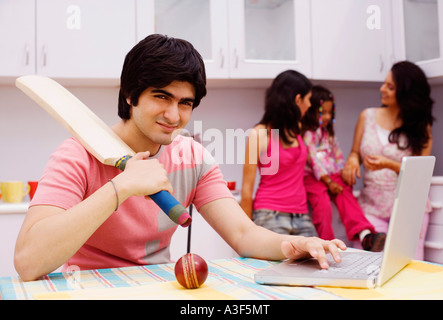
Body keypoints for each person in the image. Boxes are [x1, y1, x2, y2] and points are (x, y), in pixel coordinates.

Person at [14, 35, 346, 281]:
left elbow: (244, 235)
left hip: (158, 286)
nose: (174, 115)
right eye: (162, 96)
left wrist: (294, 244)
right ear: (131, 95)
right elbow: (28, 262)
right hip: (89, 286)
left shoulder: (193, 157)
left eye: (185, 102)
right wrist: (121, 188)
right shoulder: (76, 154)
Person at [341, 61, 434, 259]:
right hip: (371, 206)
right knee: (365, 264)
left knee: (408, 268)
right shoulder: (367, 116)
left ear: (406, 93)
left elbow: (420, 174)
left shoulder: (420, 127)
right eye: (384, 84)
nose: (382, 89)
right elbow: (354, 152)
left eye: (390, 87)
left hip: (408, 207)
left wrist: (388, 164)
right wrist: (352, 161)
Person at [301, 85, 386, 251]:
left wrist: (343, 172)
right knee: (323, 205)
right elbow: (314, 162)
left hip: (331, 175)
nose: (326, 117)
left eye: (329, 112)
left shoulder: (328, 134)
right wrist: (328, 181)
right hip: (313, 178)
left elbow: (337, 155)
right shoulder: (307, 135)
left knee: (345, 193)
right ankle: (327, 244)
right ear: (312, 111)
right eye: (322, 113)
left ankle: (365, 235)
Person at [240, 70, 318, 237]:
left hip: (302, 215)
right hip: (269, 215)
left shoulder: (297, 130)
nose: (310, 105)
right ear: (298, 99)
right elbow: (247, 190)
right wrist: (246, 234)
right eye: (308, 99)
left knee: (318, 260)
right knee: (277, 264)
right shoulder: (260, 133)